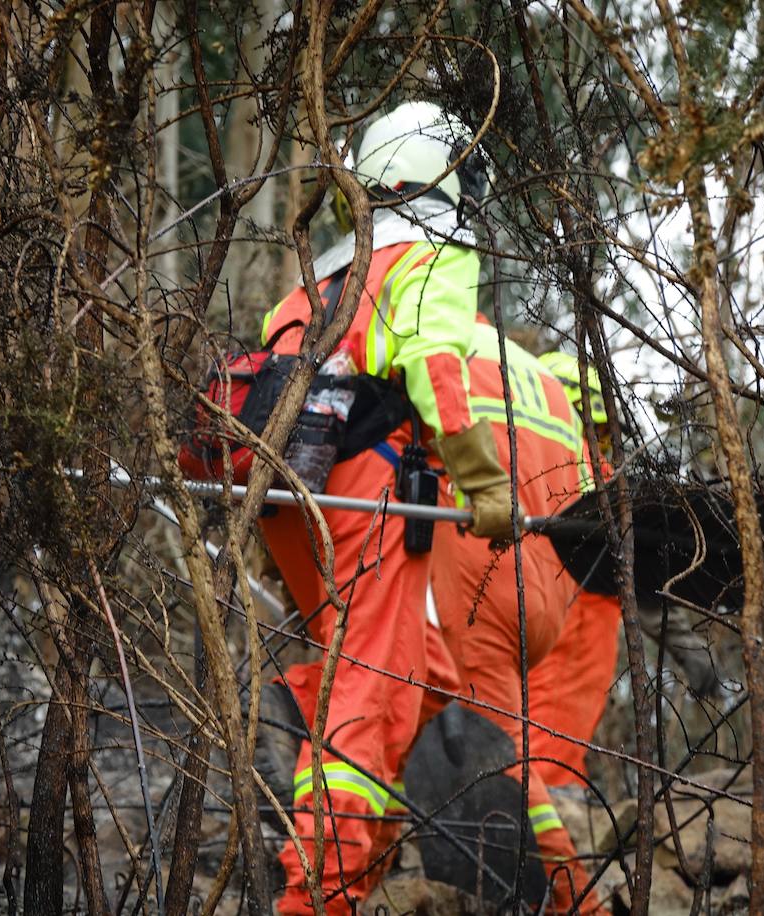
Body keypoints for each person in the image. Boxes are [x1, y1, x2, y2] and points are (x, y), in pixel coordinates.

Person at [254, 100, 517, 915]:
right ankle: (318, 898)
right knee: (363, 698)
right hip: (362, 493)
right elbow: (439, 367)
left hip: (286, 496)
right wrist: (485, 483)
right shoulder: (432, 257)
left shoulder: (320, 279)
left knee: (414, 671)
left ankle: (324, 747)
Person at [426, 323, 611, 915]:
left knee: (506, 751)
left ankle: (574, 902)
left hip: (482, 579)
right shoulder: (545, 393)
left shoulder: (445, 349)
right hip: (544, 594)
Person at [527, 351, 718, 799]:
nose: (602, 442)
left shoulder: (536, 475)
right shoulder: (590, 487)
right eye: (598, 430)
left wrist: (693, 655)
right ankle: (542, 801)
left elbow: (645, 587)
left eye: (605, 434)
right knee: (551, 719)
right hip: (566, 638)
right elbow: (645, 589)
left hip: (556, 637)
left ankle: (541, 796)